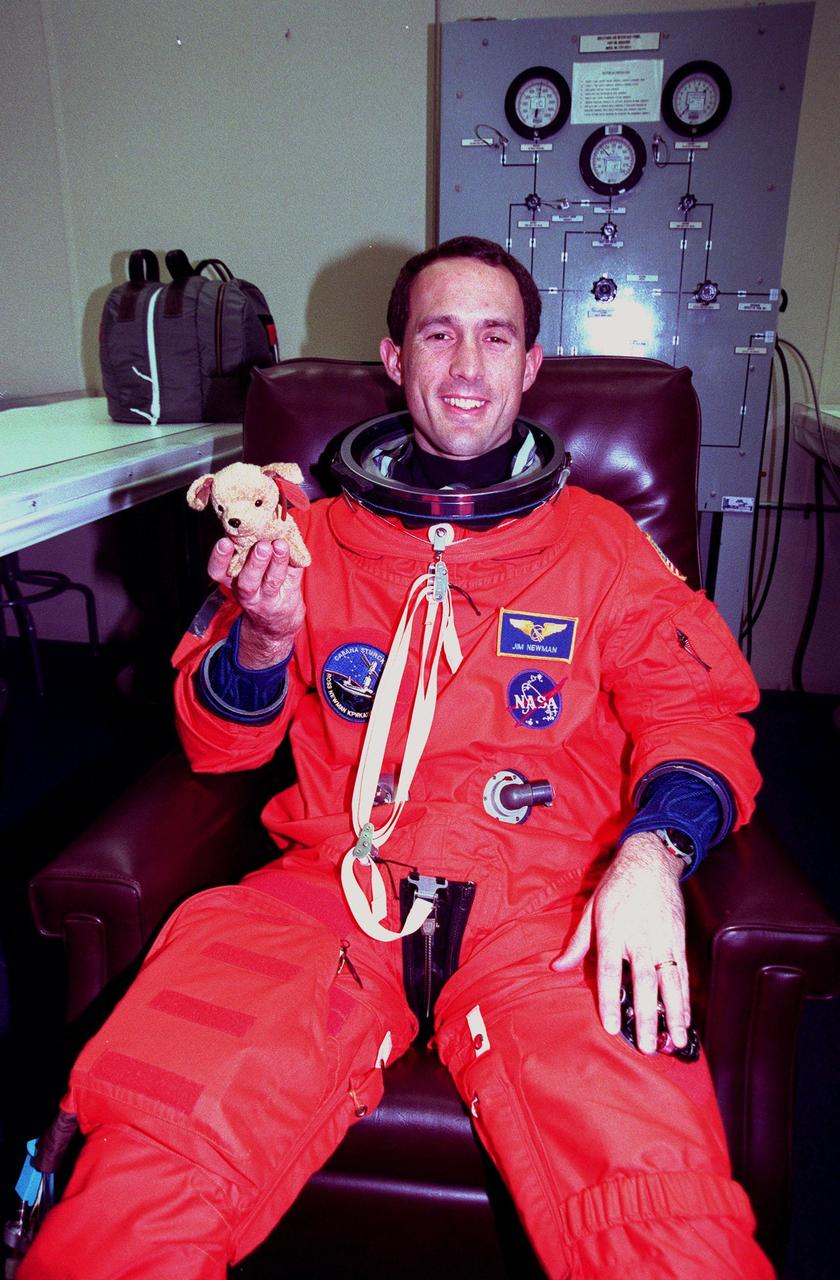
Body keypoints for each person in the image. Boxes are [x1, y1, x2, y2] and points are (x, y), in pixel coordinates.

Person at [21, 238, 773, 1279]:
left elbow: (700, 716)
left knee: (660, 1216)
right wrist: (265, 636)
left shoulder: (605, 551)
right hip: (332, 890)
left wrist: (652, 852)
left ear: (530, 366)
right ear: (393, 355)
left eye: (495, 335)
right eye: (438, 333)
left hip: (547, 912)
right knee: (148, 1166)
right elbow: (217, 743)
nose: (467, 365)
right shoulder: (303, 540)